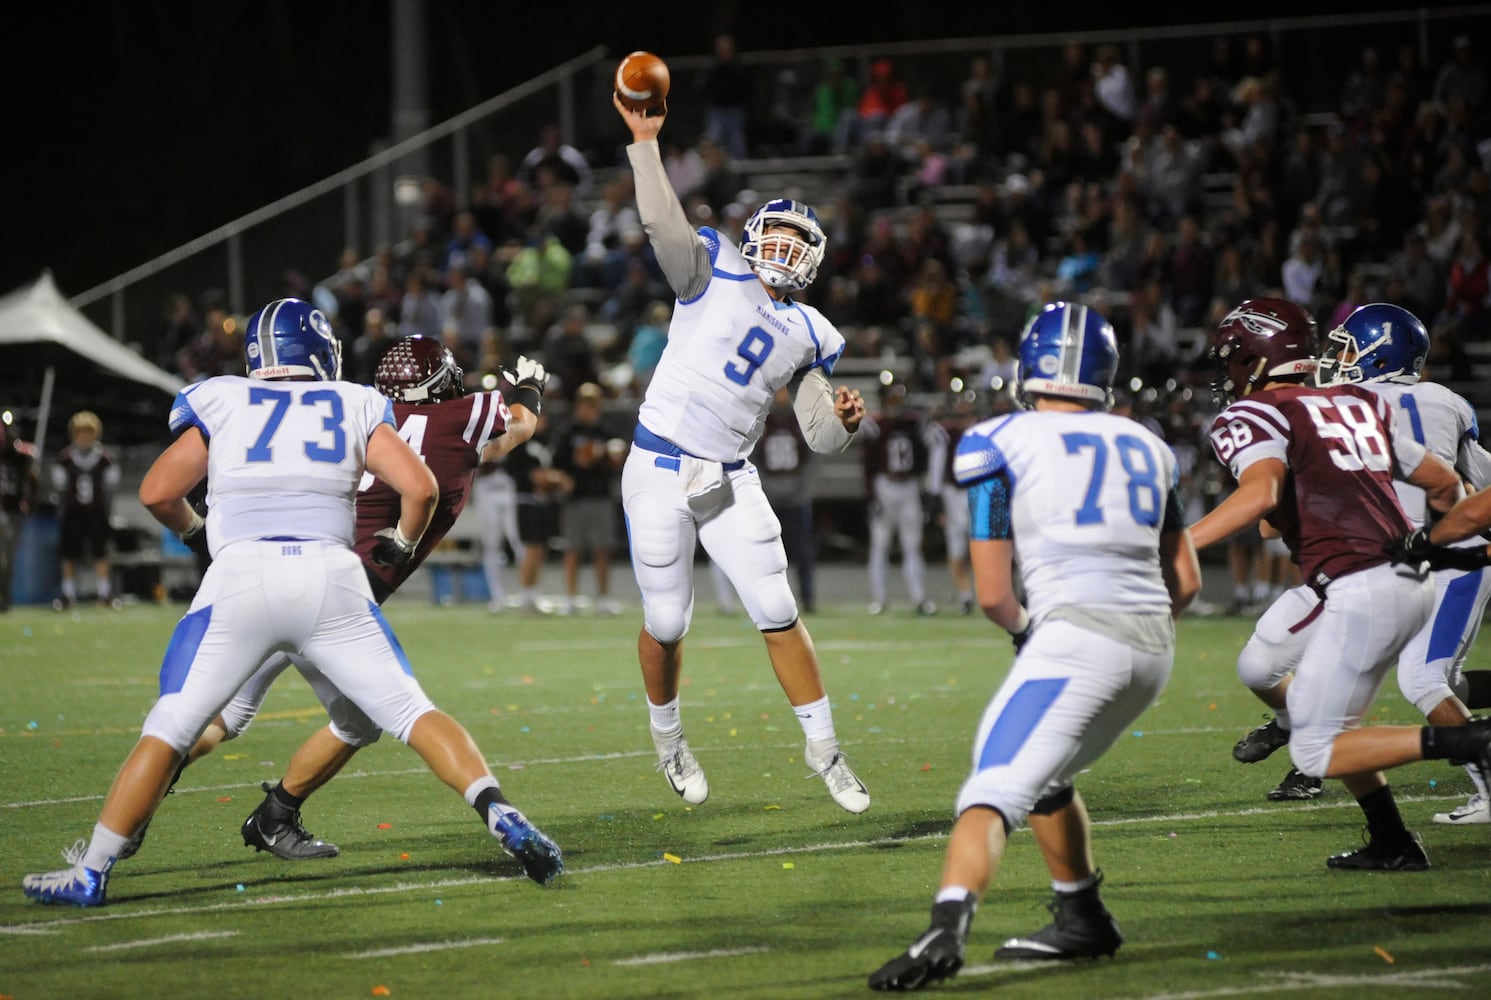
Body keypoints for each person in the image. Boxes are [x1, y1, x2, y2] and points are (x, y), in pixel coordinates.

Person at [22, 304, 561, 906]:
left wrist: (200, 535)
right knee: (410, 712)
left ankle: (94, 867)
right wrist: (406, 540)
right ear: (322, 351)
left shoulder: (223, 397)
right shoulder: (355, 402)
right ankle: (497, 810)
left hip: (241, 580)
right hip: (334, 582)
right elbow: (426, 484)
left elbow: (156, 491)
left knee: (175, 725)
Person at [869, 303, 1202, 991]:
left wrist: (1034, 635)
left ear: (1028, 367)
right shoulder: (1150, 445)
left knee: (990, 788)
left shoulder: (995, 440)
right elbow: (1187, 580)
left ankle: (945, 927)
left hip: (1077, 637)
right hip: (1152, 646)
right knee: (1046, 777)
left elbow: (992, 594)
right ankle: (1081, 916)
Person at [612, 87, 870, 813]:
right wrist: (645, 142)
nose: (783, 250)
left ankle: (825, 750)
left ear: (814, 261)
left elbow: (819, 436)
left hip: (729, 477)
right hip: (659, 466)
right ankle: (667, 739)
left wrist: (843, 418)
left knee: (776, 607)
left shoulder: (813, 331)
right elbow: (660, 218)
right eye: (776, 236)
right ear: (753, 236)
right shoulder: (710, 268)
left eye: (798, 243)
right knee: (666, 623)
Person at [1187, 297, 1491, 871]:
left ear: (1256, 358)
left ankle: (1470, 742)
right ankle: (1393, 841)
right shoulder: (1356, 405)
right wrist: (1439, 542)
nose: (1227, 374)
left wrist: (1173, 547)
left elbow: (1263, 508)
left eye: (1234, 360)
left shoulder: (1264, 413)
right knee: (1313, 706)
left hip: (1360, 583)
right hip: (1411, 572)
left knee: (1318, 742)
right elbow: (1445, 480)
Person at [861, 380, 943, 616]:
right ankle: (879, 599)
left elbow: (931, 449)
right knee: (880, 544)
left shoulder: (914, 423)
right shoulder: (875, 424)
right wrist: (870, 496)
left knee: (913, 545)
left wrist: (927, 487)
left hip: (908, 486)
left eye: (899, 397)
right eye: (892, 397)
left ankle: (919, 598)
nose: (896, 402)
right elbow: (868, 464)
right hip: (884, 486)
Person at [550, 382, 625, 614]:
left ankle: (603, 597)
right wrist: (568, 472)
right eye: (585, 404)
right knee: (573, 549)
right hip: (575, 497)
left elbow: (617, 461)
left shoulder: (606, 431)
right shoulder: (567, 431)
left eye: (592, 404)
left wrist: (610, 459)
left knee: (603, 549)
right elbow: (557, 463)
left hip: (600, 494)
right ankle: (571, 597)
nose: (588, 409)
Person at [51, 410, 121, 610]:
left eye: (88, 433)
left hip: (97, 511)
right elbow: (60, 488)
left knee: (100, 553)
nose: (84, 437)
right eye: (80, 433)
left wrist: (109, 512)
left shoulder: (105, 458)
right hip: (73, 512)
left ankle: (105, 593)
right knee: (68, 553)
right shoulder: (65, 458)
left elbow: (111, 488)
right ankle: (68, 594)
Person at [0, 415, 40, 611]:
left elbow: (33, 480)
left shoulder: (22, 455)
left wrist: (30, 503)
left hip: (13, 509)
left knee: (8, 558)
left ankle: (5, 597)